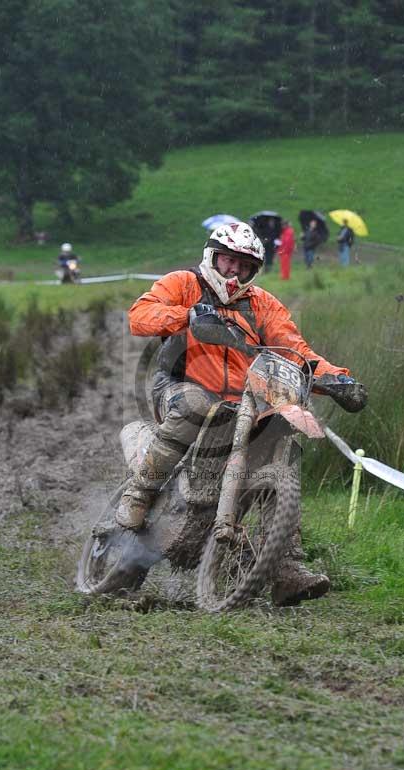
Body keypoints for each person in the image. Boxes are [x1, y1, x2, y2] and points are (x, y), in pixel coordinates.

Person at [116, 222, 363, 605]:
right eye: (228, 261)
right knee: (195, 405)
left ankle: (285, 567)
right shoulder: (183, 283)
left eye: (244, 266)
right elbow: (140, 315)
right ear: (212, 257)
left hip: (243, 400)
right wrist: (188, 316)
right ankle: (141, 491)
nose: (234, 271)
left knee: (281, 443)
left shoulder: (263, 304)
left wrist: (337, 379)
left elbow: (296, 350)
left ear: (253, 271)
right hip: (181, 387)